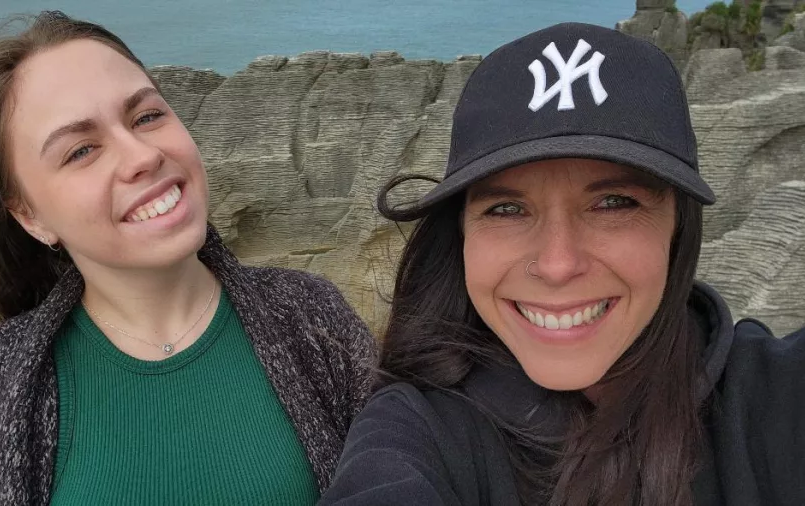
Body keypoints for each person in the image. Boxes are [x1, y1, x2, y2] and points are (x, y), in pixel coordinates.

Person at [320, 22, 805, 506]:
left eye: (614, 203)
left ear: (678, 224)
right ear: (461, 233)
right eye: (506, 209)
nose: (557, 265)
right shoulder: (418, 431)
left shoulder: (775, 399)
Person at [0, 11, 376, 506]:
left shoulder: (313, 317)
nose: (141, 156)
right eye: (82, 150)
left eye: (147, 116)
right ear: (30, 215)